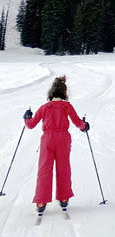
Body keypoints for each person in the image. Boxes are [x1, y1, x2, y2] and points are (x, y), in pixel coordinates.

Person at [24, 76, 89, 215]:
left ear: (51, 93)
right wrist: (85, 126)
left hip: (47, 140)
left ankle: (41, 202)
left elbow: (31, 124)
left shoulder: (44, 107)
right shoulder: (67, 106)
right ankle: (64, 198)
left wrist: (26, 118)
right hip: (63, 140)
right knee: (63, 168)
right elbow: (78, 123)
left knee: (44, 169)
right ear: (64, 93)